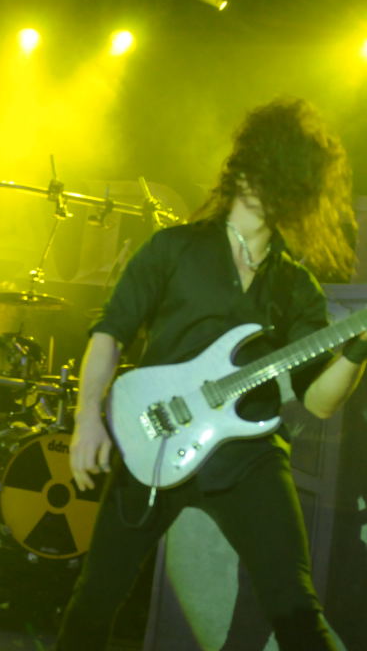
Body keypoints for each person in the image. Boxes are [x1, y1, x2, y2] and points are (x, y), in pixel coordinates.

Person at [60, 97, 364, 650]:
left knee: (297, 611)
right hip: (154, 436)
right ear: (242, 171)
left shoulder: (295, 286)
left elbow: (319, 402)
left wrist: (357, 351)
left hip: (248, 456)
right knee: (96, 600)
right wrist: (87, 419)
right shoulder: (174, 249)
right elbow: (110, 332)